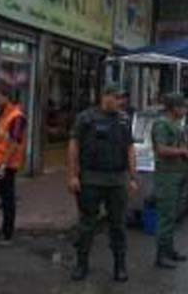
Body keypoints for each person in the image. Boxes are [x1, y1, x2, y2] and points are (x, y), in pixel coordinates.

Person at [68, 84, 137, 282]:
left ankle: (120, 265)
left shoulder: (124, 120)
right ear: (105, 97)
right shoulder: (86, 118)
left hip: (117, 180)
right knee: (87, 224)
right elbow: (74, 146)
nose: (120, 102)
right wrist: (72, 176)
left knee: (118, 225)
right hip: (91, 178)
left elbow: (130, 148)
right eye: (116, 97)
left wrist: (132, 177)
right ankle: (81, 264)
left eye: (121, 98)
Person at [151, 93, 188, 269]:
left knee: (174, 214)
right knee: (166, 216)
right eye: (182, 107)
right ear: (174, 108)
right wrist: (182, 152)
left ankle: (169, 250)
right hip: (167, 175)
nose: (185, 110)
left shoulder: (177, 124)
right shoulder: (162, 124)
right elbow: (161, 149)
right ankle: (160, 256)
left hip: (179, 173)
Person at [0, 86, 27, 247]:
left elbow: (14, 142)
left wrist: (4, 164)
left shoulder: (16, 117)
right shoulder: (4, 113)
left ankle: (7, 235)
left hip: (6, 165)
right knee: (2, 196)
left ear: (6, 97)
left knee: (7, 198)